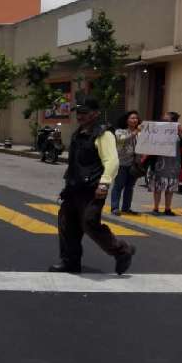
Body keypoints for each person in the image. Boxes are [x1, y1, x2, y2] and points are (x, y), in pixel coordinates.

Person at [49, 98, 136, 275]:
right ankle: (70, 262)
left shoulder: (103, 134)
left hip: (93, 189)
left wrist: (104, 184)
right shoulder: (78, 133)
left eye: (85, 113)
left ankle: (122, 250)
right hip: (74, 187)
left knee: (89, 223)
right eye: (78, 113)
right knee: (67, 223)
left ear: (95, 114)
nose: (80, 116)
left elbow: (111, 161)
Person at [148, 112, 182, 216]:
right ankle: (155, 208)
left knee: (170, 187)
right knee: (158, 187)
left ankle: (168, 209)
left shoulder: (179, 130)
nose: (164, 121)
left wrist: (181, 133)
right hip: (160, 162)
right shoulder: (157, 129)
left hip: (173, 163)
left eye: (166, 119)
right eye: (163, 119)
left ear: (173, 121)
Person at [110, 110, 141, 215]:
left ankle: (126, 208)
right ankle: (114, 207)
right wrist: (134, 133)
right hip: (122, 163)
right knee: (118, 186)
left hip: (134, 164)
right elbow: (121, 140)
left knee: (130, 187)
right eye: (132, 118)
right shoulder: (120, 131)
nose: (135, 120)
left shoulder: (140, 133)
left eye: (136, 118)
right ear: (127, 120)